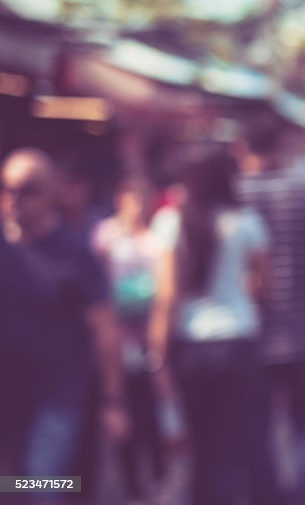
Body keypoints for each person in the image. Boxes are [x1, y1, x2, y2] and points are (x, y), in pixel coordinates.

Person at [0, 149, 128, 502]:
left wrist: (113, 400)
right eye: (7, 188)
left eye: (28, 189)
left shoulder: (76, 253)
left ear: (52, 193)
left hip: (57, 398)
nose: (15, 199)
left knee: (45, 483)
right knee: (13, 487)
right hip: (8, 397)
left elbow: (105, 329)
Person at [148, 146, 269, 505]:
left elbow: (167, 296)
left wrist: (158, 354)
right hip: (237, 340)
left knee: (200, 447)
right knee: (235, 445)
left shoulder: (170, 222)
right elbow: (264, 286)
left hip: (193, 345)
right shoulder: (245, 221)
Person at [237, 116, 305, 505]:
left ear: (242, 148)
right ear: (281, 149)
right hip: (303, 329)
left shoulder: (235, 194)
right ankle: (304, 497)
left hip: (249, 334)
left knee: (257, 428)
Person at [92, 178, 167, 504]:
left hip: (147, 341)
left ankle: (156, 473)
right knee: (122, 413)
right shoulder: (105, 236)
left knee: (147, 412)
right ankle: (132, 484)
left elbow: (166, 290)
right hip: (113, 340)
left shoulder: (155, 240)